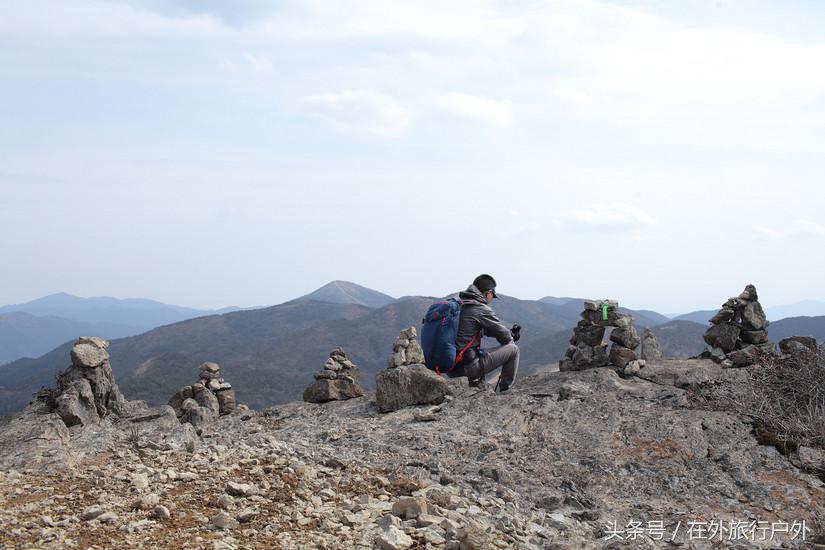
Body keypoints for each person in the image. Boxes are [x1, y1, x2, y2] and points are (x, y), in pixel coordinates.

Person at [449, 274, 520, 392]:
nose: (492, 299)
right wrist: (510, 335)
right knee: (513, 350)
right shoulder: (481, 308)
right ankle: (506, 392)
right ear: (488, 293)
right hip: (467, 368)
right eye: (492, 296)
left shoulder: (461, 304)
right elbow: (505, 338)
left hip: (451, 368)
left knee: (478, 352)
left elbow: (475, 331)